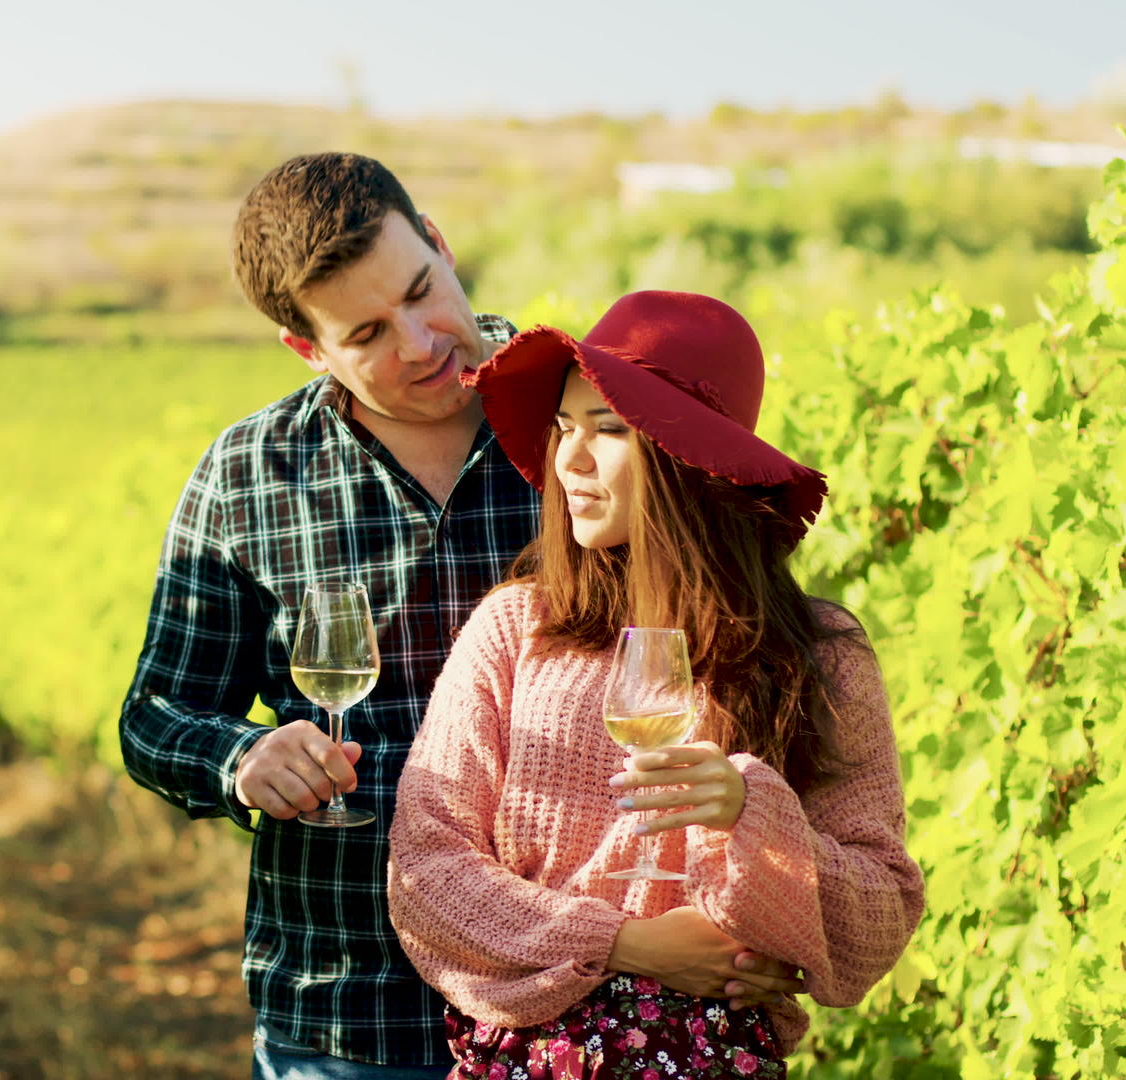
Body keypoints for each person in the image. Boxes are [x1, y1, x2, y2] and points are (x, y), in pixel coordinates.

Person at [120, 156, 805, 1080]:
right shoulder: (249, 476)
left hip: (586, 1020)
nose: (419, 341)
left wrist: (757, 905)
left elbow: (734, 646)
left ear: (440, 243)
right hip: (347, 1007)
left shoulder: (586, 411)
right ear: (306, 348)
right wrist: (242, 758)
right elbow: (153, 716)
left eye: (421, 290)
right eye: (366, 332)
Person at [387, 290, 925, 1079]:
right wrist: (628, 944)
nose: (569, 461)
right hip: (536, 1061)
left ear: (687, 458)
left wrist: (753, 812)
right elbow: (426, 873)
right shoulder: (515, 629)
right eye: (564, 428)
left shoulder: (820, 653)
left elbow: (876, 923)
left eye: (607, 432)